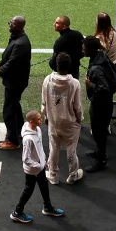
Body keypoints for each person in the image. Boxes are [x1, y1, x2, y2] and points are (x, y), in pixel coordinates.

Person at [9, 110, 63, 224]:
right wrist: (39, 165)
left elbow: (39, 148)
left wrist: (43, 160)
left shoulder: (37, 129)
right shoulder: (28, 139)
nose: (41, 120)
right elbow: (26, 158)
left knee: (44, 186)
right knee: (28, 190)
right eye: (38, 119)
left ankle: (47, 207)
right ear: (31, 121)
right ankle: (17, 212)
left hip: (39, 167)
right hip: (33, 170)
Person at [41, 52, 85, 185]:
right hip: (70, 122)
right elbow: (78, 106)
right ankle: (73, 175)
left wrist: (46, 116)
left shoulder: (47, 80)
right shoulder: (74, 83)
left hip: (54, 120)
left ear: (56, 64)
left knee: (53, 148)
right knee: (71, 149)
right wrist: (79, 119)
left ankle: (53, 175)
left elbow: (44, 103)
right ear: (69, 66)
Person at [0, 15, 32, 150]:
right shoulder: (18, 38)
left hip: (15, 82)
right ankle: (20, 130)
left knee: (9, 110)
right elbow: (8, 56)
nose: (10, 25)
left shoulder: (20, 43)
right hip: (16, 80)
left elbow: (12, 62)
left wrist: (0, 70)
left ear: (19, 26)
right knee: (15, 105)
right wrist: (0, 64)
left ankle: (12, 141)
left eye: (12, 23)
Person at [83, 36, 116, 172]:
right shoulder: (102, 57)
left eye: (84, 48)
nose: (82, 49)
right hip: (105, 103)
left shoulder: (97, 68)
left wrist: (90, 84)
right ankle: (99, 153)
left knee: (99, 133)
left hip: (100, 105)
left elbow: (104, 89)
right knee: (100, 132)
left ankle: (101, 161)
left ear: (90, 49)